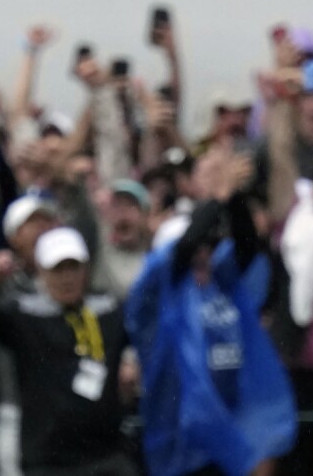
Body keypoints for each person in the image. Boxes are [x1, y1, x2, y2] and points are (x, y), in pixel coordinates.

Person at [127, 169, 297, 476]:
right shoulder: (154, 301)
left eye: (208, 248)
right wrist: (214, 200)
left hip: (228, 434)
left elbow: (247, 244)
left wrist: (233, 199)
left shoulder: (223, 284)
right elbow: (182, 249)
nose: (203, 255)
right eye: (196, 251)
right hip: (181, 444)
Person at [0, 228, 136, 476]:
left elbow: (145, 333)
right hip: (48, 460)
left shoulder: (109, 310)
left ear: (86, 268)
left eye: (73, 267)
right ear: (40, 270)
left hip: (105, 454)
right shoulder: (23, 314)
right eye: (57, 269)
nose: (67, 277)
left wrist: (133, 361)